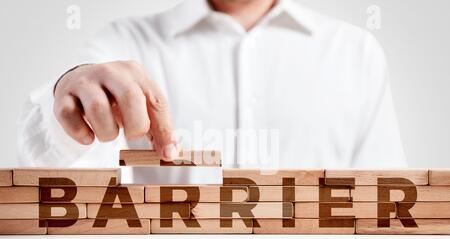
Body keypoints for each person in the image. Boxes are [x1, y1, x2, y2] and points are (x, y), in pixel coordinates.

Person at [17, 0, 407, 184]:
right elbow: (53, 180)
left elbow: (389, 210)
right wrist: (69, 96)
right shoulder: (123, 43)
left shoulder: (356, 52)